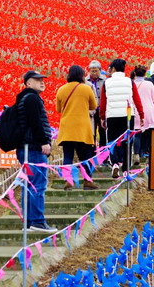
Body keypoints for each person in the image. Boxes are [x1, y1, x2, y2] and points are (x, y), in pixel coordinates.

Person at [17, 70, 56, 233]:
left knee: (29, 185)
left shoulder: (25, 98)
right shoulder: (32, 98)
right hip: (33, 148)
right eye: (37, 79)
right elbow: (35, 123)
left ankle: (29, 221)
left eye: (42, 79)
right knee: (38, 184)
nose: (42, 82)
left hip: (26, 147)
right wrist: (44, 142)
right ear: (28, 83)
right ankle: (38, 221)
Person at [99, 59, 144, 178]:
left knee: (113, 141)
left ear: (113, 69)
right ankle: (125, 168)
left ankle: (114, 164)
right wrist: (141, 114)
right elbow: (137, 99)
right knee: (127, 141)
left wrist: (102, 117)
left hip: (112, 116)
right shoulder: (129, 81)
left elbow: (103, 103)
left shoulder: (106, 83)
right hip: (128, 115)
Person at [56, 65, 98, 191]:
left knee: (68, 155)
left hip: (67, 128)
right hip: (82, 128)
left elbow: (58, 109)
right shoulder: (86, 89)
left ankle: (68, 180)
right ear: (82, 76)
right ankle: (87, 180)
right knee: (85, 156)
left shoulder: (61, 89)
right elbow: (93, 106)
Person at [132, 65, 154, 165]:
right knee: (149, 135)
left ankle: (136, 154)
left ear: (135, 73)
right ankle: (149, 155)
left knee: (137, 134)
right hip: (148, 111)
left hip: (135, 111)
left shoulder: (132, 84)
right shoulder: (149, 84)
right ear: (145, 73)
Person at [85, 60, 106, 148]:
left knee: (103, 132)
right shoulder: (85, 81)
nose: (94, 73)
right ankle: (92, 154)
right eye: (92, 71)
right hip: (90, 111)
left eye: (96, 71)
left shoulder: (105, 80)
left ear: (100, 70)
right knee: (91, 133)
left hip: (101, 110)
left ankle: (102, 154)